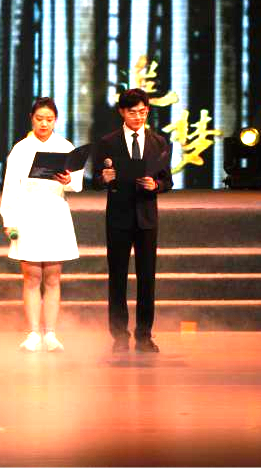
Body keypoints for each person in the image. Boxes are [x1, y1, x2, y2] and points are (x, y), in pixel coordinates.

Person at [0, 97, 82, 352]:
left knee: (53, 276)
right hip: (28, 214)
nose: (44, 124)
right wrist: (9, 220)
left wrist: (67, 180)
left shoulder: (65, 146)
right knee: (32, 276)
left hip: (55, 213)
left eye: (49, 119)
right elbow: (10, 187)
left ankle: (51, 334)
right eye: (39, 119)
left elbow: (77, 184)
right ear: (31, 119)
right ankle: (33, 332)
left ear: (55, 120)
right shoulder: (21, 149)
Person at [93, 88, 173, 353]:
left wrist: (156, 185)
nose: (138, 117)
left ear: (147, 111)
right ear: (122, 113)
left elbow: (168, 181)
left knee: (147, 278)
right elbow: (95, 180)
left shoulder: (158, 142)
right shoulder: (108, 142)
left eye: (142, 112)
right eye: (132, 112)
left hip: (146, 217)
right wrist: (103, 178)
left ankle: (144, 335)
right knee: (117, 278)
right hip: (119, 217)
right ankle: (119, 335)